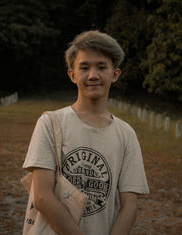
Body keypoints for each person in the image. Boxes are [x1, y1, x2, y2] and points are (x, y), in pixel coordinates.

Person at [22, 30, 149, 235]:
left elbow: (130, 205)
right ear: (72, 74)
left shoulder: (126, 135)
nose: (93, 75)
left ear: (114, 74)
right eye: (84, 67)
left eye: (101, 67)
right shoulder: (50, 123)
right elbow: (42, 196)